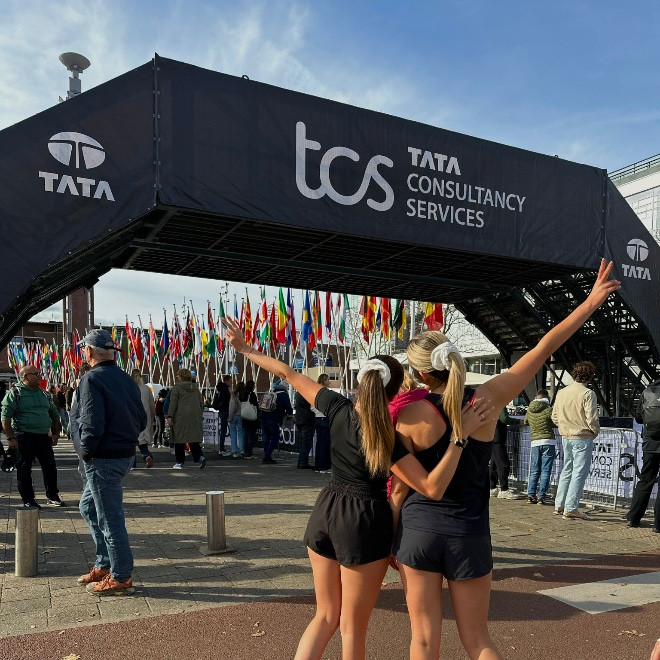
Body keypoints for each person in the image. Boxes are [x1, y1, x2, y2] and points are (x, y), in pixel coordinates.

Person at [223, 315, 493, 660]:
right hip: (364, 521)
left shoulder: (336, 406)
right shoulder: (386, 435)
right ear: (395, 391)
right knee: (352, 628)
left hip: (326, 510)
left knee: (324, 616)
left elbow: (288, 373)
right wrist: (394, 537)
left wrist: (246, 349)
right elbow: (416, 488)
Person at [389, 259, 620, 660]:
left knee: (423, 641)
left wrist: (389, 538)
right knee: (478, 641)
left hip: (419, 529)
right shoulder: (487, 399)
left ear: (420, 374)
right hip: (469, 532)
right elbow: (544, 348)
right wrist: (589, 302)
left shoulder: (407, 415)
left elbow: (397, 488)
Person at [76, 329, 147, 596]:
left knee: (110, 519)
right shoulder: (127, 378)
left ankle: (120, 576)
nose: (83, 352)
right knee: (88, 507)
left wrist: (86, 452)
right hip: (123, 454)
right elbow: (142, 419)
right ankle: (105, 563)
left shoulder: (91, 379)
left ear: (89, 351)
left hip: (104, 457)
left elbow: (91, 422)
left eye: (83, 349)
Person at [1, 366, 63, 507]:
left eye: (39, 373)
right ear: (25, 377)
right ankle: (28, 500)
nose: (39, 376)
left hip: (43, 437)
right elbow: (5, 418)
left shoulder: (45, 394)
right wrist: (10, 438)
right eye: (35, 374)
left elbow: (54, 415)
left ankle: (53, 496)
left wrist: (56, 434)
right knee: (24, 469)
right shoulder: (15, 394)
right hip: (24, 436)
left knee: (50, 467)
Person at [551, 361, 600, 520]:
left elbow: (554, 416)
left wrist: (564, 426)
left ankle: (559, 504)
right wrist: (594, 431)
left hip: (566, 436)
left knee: (567, 470)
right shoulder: (588, 393)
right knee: (579, 473)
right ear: (589, 376)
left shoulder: (562, 392)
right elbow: (592, 417)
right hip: (582, 436)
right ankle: (571, 507)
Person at [626, 377, 660, 532]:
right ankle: (658, 524)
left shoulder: (648, 391)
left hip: (650, 443)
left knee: (645, 479)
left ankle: (633, 517)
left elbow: (639, 417)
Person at [167, 368, 206, 469]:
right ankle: (200, 457)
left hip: (180, 417)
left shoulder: (177, 387)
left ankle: (180, 462)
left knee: (179, 440)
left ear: (181, 377)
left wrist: (170, 416)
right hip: (194, 417)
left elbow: (173, 403)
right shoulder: (196, 388)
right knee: (193, 440)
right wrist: (199, 414)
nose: (177, 378)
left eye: (178, 376)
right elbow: (201, 403)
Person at [524, 389, 556, 505]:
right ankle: (541, 497)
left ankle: (530, 495)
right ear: (546, 398)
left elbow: (525, 421)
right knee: (546, 471)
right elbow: (555, 422)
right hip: (548, 441)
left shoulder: (529, 410)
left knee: (534, 470)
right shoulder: (548, 410)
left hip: (535, 442)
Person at [489, 408, 523, 499]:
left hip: (491, 436)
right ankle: (504, 489)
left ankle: (492, 487)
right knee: (503, 464)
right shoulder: (500, 404)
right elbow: (504, 418)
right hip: (498, 437)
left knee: (494, 464)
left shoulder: (491, 403)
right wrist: (518, 421)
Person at [259, 378, 292, 464]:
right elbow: (289, 409)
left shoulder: (272, 393)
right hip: (273, 418)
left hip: (263, 416)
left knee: (266, 437)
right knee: (275, 437)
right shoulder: (284, 395)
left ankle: (266, 455)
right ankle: (267, 456)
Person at [69, 362, 92, 483]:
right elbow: (73, 414)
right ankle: (86, 489)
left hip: (100, 433)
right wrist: (74, 434)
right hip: (82, 432)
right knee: (84, 465)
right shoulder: (77, 392)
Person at [130, 369, 155, 468]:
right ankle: (146, 455)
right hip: (145, 416)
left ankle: (132, 464)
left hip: (132, 415)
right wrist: (153, 414)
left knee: (131, 441)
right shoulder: (146, 388)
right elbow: (151, 404)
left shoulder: (129, 387)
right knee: (142, 440)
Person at [312, 374, 331, 473]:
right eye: (328, 379)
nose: (329, 381)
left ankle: (318, 466)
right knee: (325, 443)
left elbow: (312, 407)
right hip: (325, 418)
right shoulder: (326, 392)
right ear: (324, 380)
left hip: (317, 418)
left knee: (319, 443)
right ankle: (324, 466)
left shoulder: (315, 391)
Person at [294, 386, 316, 469]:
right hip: (307, 420)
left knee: (303, 442)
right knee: (306, 442)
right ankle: (303, 462)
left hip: (299, 419)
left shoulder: (297, 394)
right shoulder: (306, 394)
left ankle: (301, 462)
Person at [212, 375, 232, 457]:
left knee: (223, 430)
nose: (231, 382)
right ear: (226, 381)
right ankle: (221, 449)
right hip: (224, 410)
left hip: (221, 410)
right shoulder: (225, 389)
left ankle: (221, 448)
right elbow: (225, 400)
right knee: (224, 430)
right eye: (230, 381)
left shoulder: (220, 389)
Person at [228, 381, 246, 458]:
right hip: (241, 415)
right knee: (240, 433)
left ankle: (234, 451)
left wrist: (229, 418)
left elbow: (232, 408)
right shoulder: (245, 396)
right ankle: (242, 450)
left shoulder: (234, 396)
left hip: (234, 415)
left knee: (233, 434)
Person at [242, 380, 259, 459]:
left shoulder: (243, 393)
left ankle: (245, 452)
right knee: (251, 436)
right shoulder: (252, 394)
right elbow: (255, 404)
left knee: (246, 435)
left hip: (244, 418)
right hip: (251, 418)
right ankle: (249, 453)